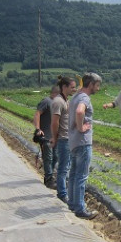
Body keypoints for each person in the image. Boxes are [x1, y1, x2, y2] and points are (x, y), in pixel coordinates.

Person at [67, 72, 103, 219]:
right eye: (97, 85)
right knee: (81, 176)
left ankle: (72, 204)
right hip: (83, 142)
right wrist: (81, 127)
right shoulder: (84, 98)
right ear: (90, 84)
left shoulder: (75, 96)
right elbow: (80, 111)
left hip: (73, 142)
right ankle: (80, 209)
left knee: (74, 174)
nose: (98, 89)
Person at [49, 75, 77, 204]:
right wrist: (55, 138)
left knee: (67, 166)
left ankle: (65, 191)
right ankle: (62, 193)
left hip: (69, 138)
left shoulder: (66, 100)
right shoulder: (58, 102)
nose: (74, 89)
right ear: (64, 87)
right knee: (63, 168)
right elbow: (54, 123)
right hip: (63, 139)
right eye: (72, 87)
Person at [33, 84, 60, 188]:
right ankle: (49, 178)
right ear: (56, 93)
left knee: (55, 157)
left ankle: (49, 175)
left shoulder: (57, 103)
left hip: (54, 136)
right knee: (48, 157)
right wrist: (38, 129)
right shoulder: (46, 101)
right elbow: (37, 114)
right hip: (46, 136)